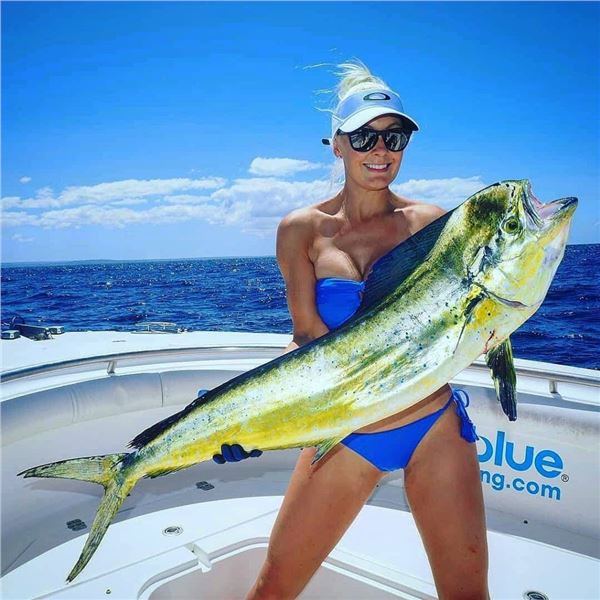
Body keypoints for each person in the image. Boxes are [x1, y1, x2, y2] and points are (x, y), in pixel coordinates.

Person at [216, 60, 489, 600]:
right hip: (345, 433)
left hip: (432, 426)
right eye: (364, 137)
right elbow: (306, 338)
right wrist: (251, 417)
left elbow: (467, 317)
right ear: (337, 145)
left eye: (395, 136)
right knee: (273, 589)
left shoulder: (433, 222)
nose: (380, 150)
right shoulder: (301, 230)